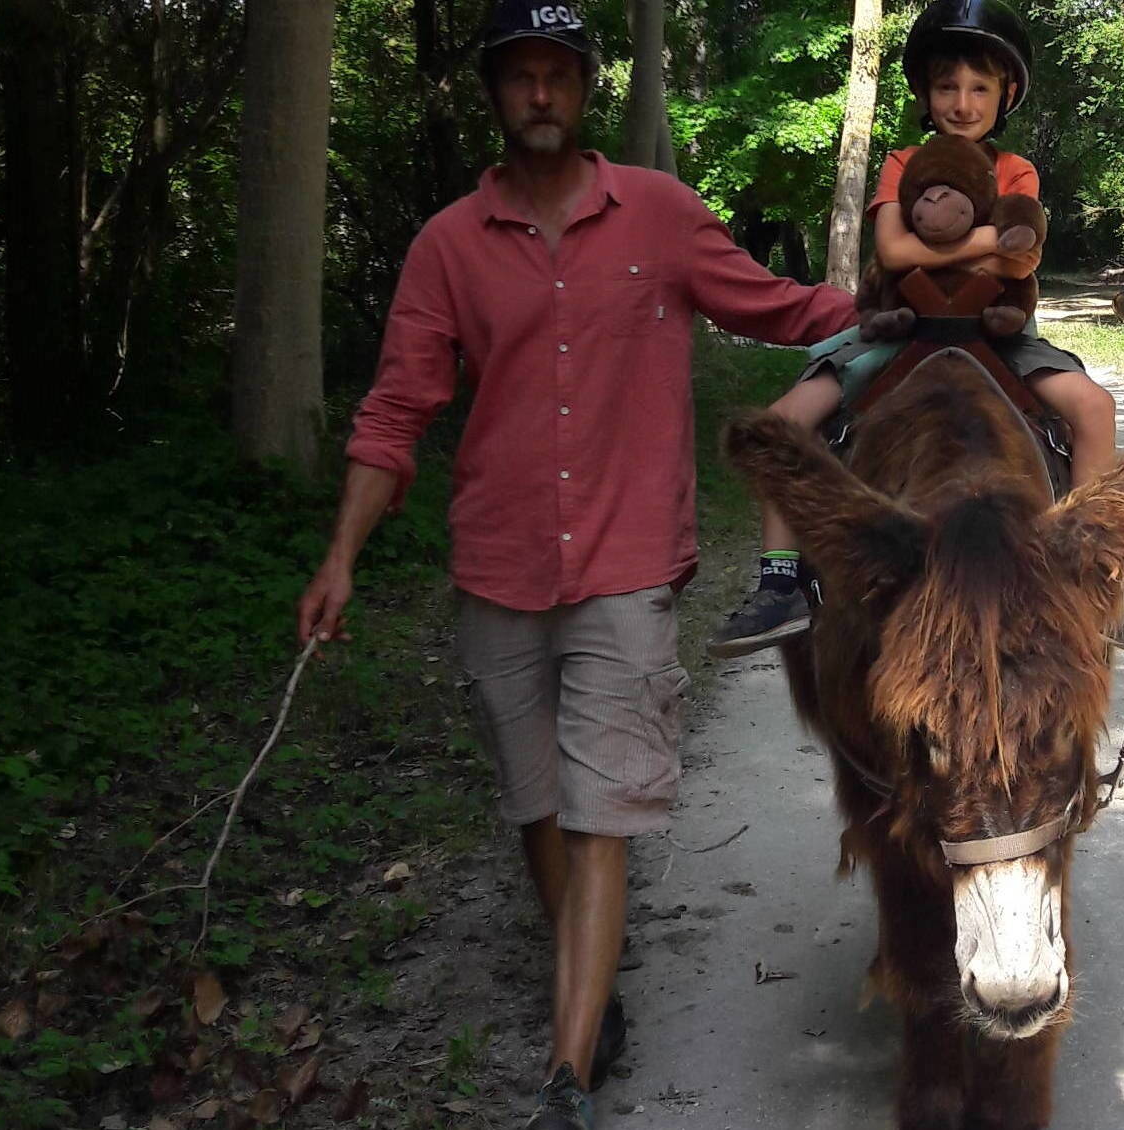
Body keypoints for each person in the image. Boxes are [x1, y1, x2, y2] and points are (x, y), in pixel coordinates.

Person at [292, 3, 856, 1126]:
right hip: (496, 559)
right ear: (494, 95)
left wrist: (921, 314)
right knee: (536, 803)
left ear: (585, 87)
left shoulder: (658, 213)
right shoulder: (448, 245)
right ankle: (587, 986)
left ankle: (566, 1077)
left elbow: (781, 306)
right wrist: (340, 557)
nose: (539, 93)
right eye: (519, 77)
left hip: (627, 559)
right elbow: (397, 408)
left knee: (600, 811)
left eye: (558, 74)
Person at [705, 0, 1124, 660]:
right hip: (902, 328)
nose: (962, 103)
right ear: (924, 93)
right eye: (947, 87)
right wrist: (984, 238)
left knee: (1094, 406)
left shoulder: (1014, 170)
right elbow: (896, 252)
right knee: (782, 423)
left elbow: (1020, 260)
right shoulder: (902, 163)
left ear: (1007, 95)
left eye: (979, 88)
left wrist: (956, 243)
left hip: (993, 332)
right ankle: (779, 580)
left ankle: (1098, 571)